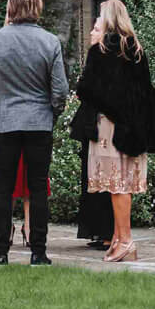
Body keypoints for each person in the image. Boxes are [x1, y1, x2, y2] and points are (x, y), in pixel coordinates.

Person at [0, 0, 69, 266]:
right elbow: (60, 89)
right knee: (38, 187)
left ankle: (0, 252)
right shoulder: (50, 41)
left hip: (6, 121)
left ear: (11, 7)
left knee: (4, 187)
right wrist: (54, 112)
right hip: (39, 121)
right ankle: (38, 252)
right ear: (37, 7)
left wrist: (1, 81)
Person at [74, 0, 155, 263]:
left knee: (116, 185)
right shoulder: (136, 50)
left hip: (109, 126)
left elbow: (87, 89)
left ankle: (125, 241)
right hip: (132, 126)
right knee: (123, 184)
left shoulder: (100, 50)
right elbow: (143, 92)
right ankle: (118, 238)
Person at [69, 15, 115, 251]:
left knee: (103, 175)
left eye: (96, 29)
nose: (92, 33)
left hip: (102, 125)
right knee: (91, 176)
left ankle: (107, 232)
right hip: (91, 123)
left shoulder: (106, 58)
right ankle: (97, 229)